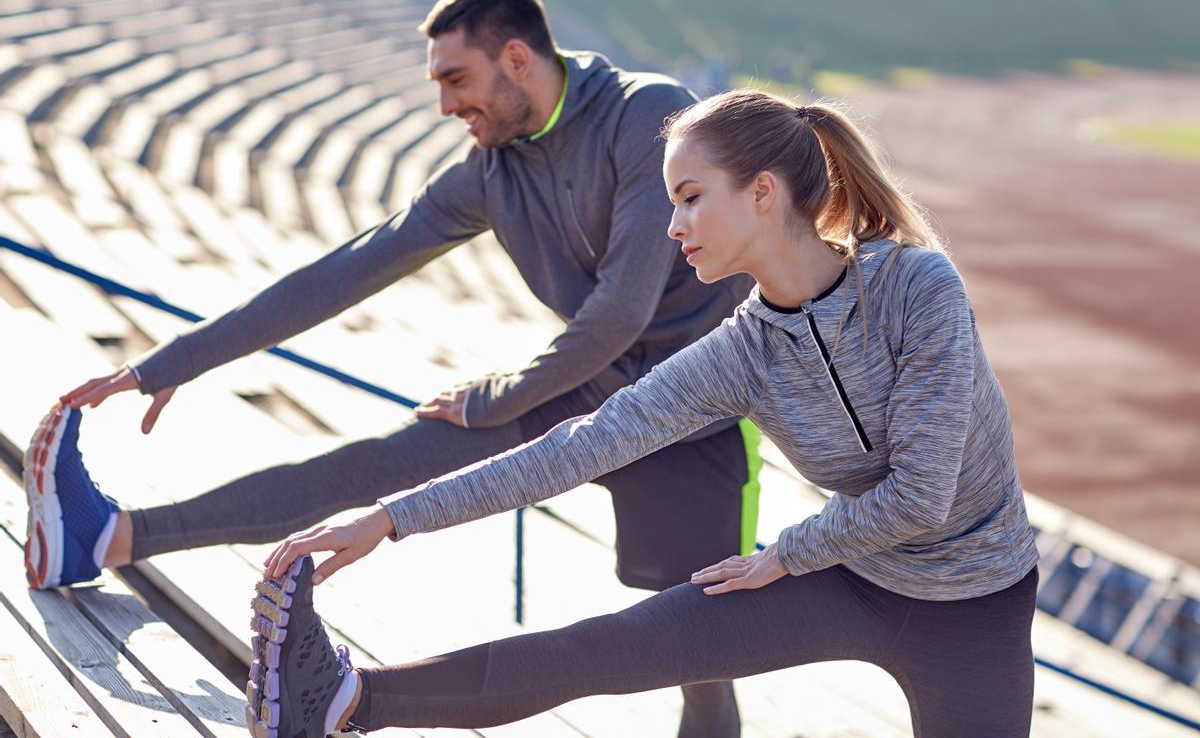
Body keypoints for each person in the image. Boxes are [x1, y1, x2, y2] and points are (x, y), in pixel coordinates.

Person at [30, 0, 756, 736]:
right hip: (581, 384)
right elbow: (348, 268)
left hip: (692, 409)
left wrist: (496, 398)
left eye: (456, 78)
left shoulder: (648, 116)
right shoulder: (492, 169)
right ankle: (105, 537)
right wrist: (169, 362)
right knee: (368, 467)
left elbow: (621, 311)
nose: (445, 105)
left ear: (516, 59)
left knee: (699, 654)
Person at [243, 90, 1042, 738]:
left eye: (692, 198)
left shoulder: (917, 288)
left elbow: (923, 494)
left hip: (975, 605)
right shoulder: (743, 352)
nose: (673, 225)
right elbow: (579, 448)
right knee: (609, 648)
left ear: (763, 192)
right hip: (850, 575)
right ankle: (345, 701)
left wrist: (787, 555)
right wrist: (387, 519)